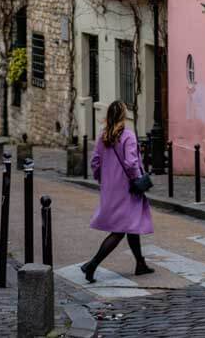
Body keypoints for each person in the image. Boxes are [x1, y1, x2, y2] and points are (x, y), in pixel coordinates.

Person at [80, 99, 154, 282]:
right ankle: (92, 264)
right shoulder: (128, 135)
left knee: (130, 224)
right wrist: (137, 178)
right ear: (123, 115)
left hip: (110, 188)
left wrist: (102, 179)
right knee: (120, 229)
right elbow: (130, 162)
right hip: (127, 188)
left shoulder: (103, 136)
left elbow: (95, 163)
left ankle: (140, 263)